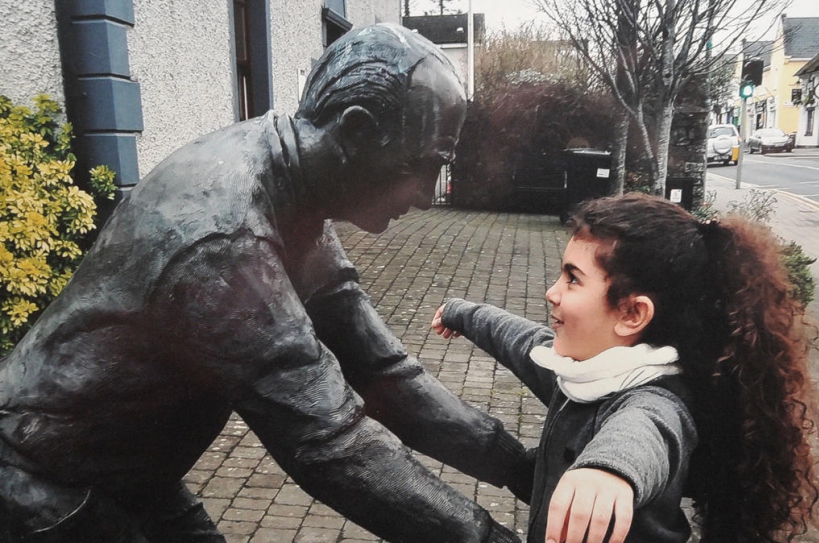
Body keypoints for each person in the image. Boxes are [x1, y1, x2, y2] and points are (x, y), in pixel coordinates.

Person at [0, 24, 528, 543]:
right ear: (357, 132)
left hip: (131, 474)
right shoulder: (222, 239)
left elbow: (382, 372)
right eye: (426, 165)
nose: (427, 197)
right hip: (42, 484)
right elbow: (331, 443)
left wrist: (523, 467)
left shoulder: (292, 190)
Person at [431, 193, 819, 543]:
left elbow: (645, 433)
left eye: (572, 279)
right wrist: (464, 313)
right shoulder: (591, 369)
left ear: (632, 313)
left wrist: (609, 469)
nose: (552, 292)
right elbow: (524, 343)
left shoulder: (656, 400)